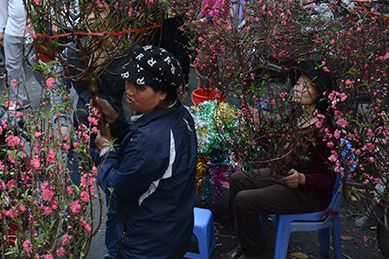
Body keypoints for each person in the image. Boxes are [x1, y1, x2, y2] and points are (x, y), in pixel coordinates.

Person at [222, 66, 336, 259]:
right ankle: (249, 243)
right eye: (297, 83)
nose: (297, 88)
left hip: (306, 194)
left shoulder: (323, 132)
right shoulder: (296, 115)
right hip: (282, 175)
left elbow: (327, 178)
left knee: (244, 200)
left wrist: (302, 179)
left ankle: (253, 254)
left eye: (305, 85)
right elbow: (276, 149)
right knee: (238, 180)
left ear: (319, 94)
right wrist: (258, 127)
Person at [94, 45, 197, 259]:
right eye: (128, 81)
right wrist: (118, 123)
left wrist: (106, 152)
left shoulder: (151, 141)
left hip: (146, 244)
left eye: (140, 87)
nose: (129, 91)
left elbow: (116, 187)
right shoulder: (181, 115)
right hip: (171, 231)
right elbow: (148, 160)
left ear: (162, 93)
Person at [0, 0, 41, 109]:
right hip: (12, 30)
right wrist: (0, 30)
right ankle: (19, 99)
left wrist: (51, 22)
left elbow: (45, 1)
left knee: (37, 63)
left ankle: (52, 90)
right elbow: (3, 8)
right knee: (12, 66)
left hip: (33, 30)